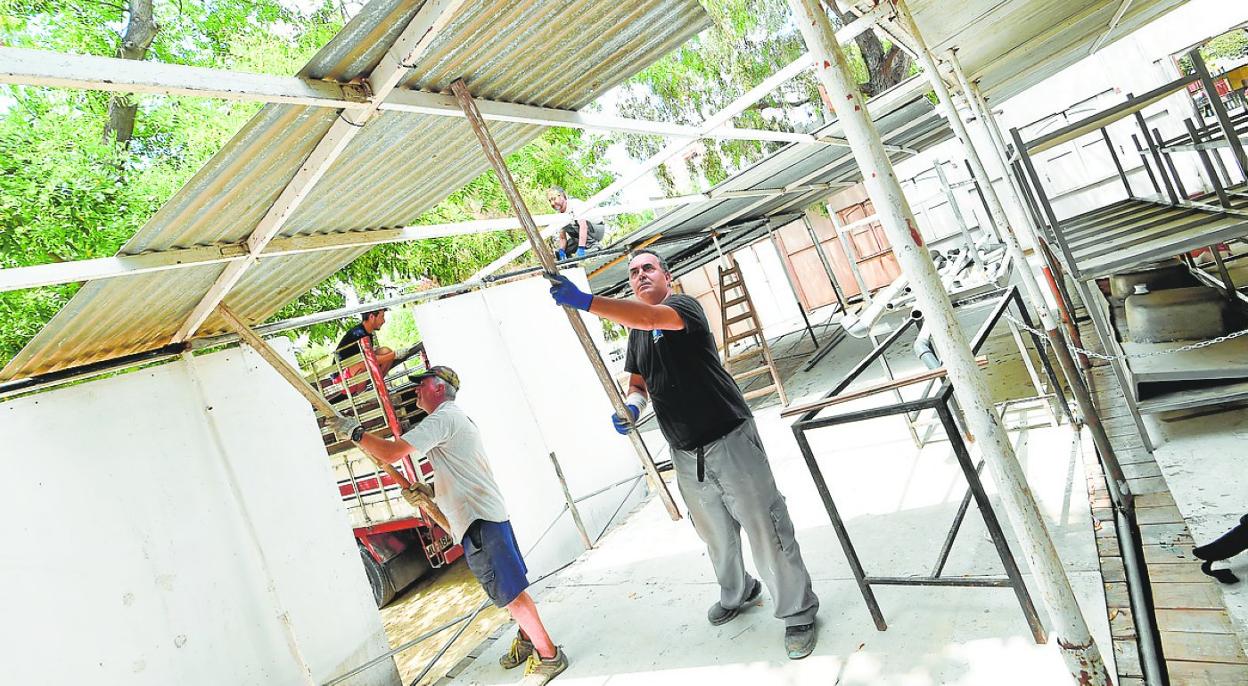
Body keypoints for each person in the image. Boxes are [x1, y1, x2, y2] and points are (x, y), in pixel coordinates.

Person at [545, 250, 820, 660]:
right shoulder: (635, 331)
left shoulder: (681, 307)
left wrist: (586, 301)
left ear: (666, 276)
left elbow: (652, 318)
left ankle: (798, 613)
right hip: (685, 452)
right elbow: (637, 382)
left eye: (647, 268)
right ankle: (738, 590)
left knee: (765, 527)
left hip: (728, 438)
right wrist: (633, 407)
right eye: (633, 273)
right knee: (715, 534)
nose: (640, 276)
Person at [329, 367, 568, 684]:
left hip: (480, 520)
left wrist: (355, 432)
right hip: (484, 516)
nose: (415, 390)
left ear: (439, 389)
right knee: (510, 584)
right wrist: (429, 494)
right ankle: (528, 641)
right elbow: (458, 472)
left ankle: (549, 656)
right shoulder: (453, 419)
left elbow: (393, 452)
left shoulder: (443, 417)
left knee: (511, 593)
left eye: (421, 384)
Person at [332, 308, 416, 396]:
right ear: (372, 317)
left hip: (356, 375)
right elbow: (368, 360)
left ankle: (378, 386)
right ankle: (363, 394)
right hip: (342, 380)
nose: (383, 321)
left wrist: (390, 355)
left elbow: (371, 358)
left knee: (385, 351)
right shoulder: (358, 334)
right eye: (382, 316)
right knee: (365, 361)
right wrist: (395, 355)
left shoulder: (367, 335)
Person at [546, 186, 603, 261]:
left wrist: (581, 248)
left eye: (554, 199)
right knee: (564, 249)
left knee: (572, 224)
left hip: (596, 230)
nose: (552, 203)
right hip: (580, 234)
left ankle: (595, 246)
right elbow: (562, 238)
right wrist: (561, 251)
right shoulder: (560, 215)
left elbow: (583, 226)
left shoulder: (574, 204)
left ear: (562, 196)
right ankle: (570, 264)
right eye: (550, 201)